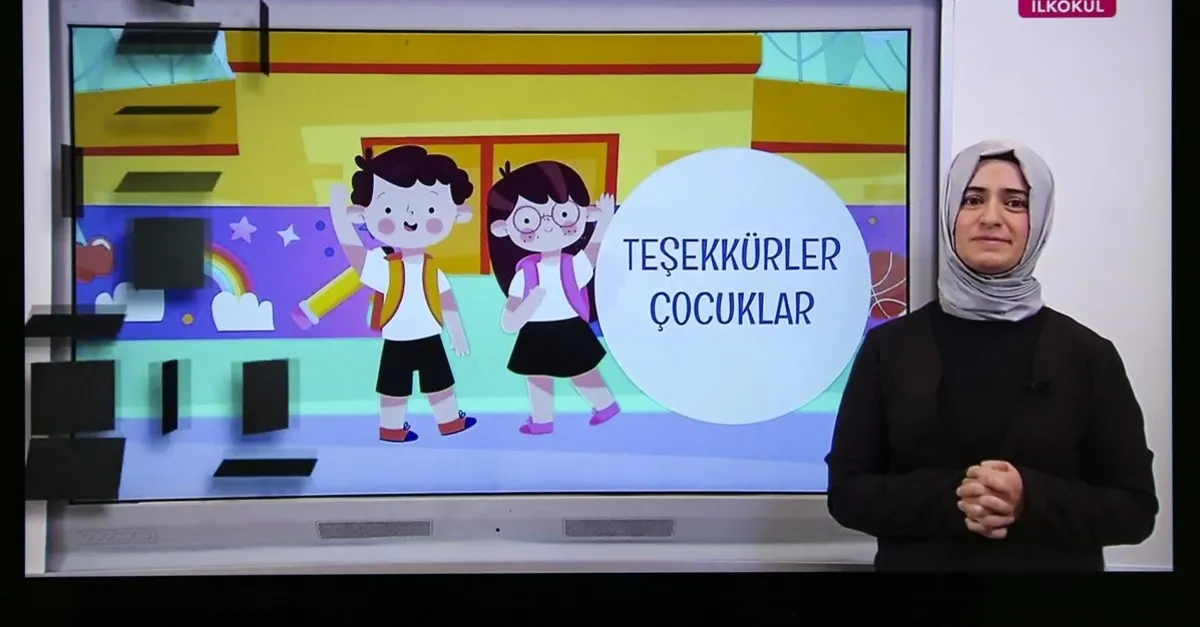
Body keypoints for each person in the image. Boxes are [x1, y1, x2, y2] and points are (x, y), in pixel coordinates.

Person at [824, 140, 1159, 571]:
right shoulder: (888, 349)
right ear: (951, 215)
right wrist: (955, 496)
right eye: (973, 199)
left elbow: (1135, 509)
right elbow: (847, 493)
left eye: (1015, 202)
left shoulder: (1090, 356)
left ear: (1038, 220)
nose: (991, 217)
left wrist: (1028, 500)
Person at [329, 145, 478, 443]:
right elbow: (353, 251)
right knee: (393, 388)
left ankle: (450, 421)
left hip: (429, 336)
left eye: (431, 209)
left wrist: (458, 334)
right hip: (396, 338)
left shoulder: (432, 269)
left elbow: (447, 302)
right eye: (388, 209)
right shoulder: (383, 267)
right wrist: (338, 214)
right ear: (362, 214)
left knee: (440, 384)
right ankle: (392, 428)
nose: (411, 217)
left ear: (457, 214)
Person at [487, 160, 621, 435]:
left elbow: (593, 251)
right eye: (528, 220)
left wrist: (604, 222)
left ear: (584, 213)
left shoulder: (572, 265)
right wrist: (526, 308)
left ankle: (606, 406)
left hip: (569, 327)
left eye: (563, 214)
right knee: (537, 378)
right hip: (535, 331)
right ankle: (542, 421)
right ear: (504, 228)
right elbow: (510, 314)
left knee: (582, 373)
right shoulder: (524, 273)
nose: (548, 226)